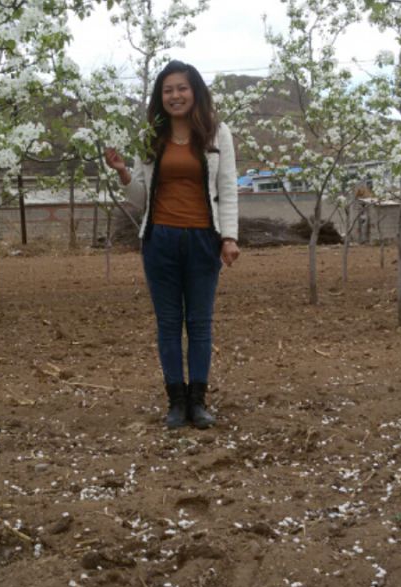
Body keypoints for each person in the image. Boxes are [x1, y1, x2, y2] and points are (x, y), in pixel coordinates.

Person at [105, 60, 240, 430]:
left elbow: (227, 187)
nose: (175, 95)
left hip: (203, 239)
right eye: (168, 90)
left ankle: (198, 401)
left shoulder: (217, 133)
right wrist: (123, 172)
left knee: (199, 323)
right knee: (168, 323)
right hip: (160, 239)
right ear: (159, 96)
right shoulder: (151, 135)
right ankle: (176, 402)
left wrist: (229, 237)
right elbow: (141, 198)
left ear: (194, 91)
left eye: (182, 88)